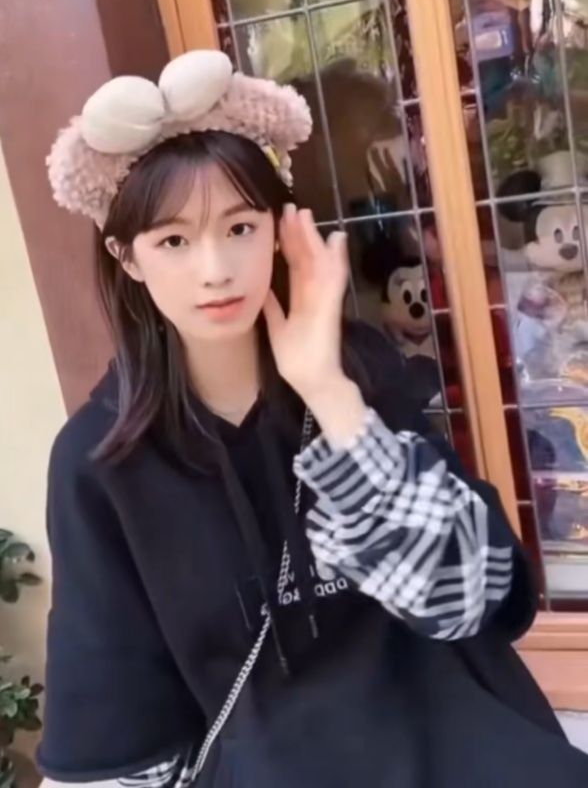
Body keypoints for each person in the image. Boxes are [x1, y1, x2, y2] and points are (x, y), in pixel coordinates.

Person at [38, 51, 588, 788]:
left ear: (279, 230)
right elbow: (116, 733)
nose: (214, 268)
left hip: (461, 758)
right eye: (174, 240)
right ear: (127, 258)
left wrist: (329, 394)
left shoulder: (360, 373)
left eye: (240, 227)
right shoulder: (102, 459)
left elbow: (463, 600)